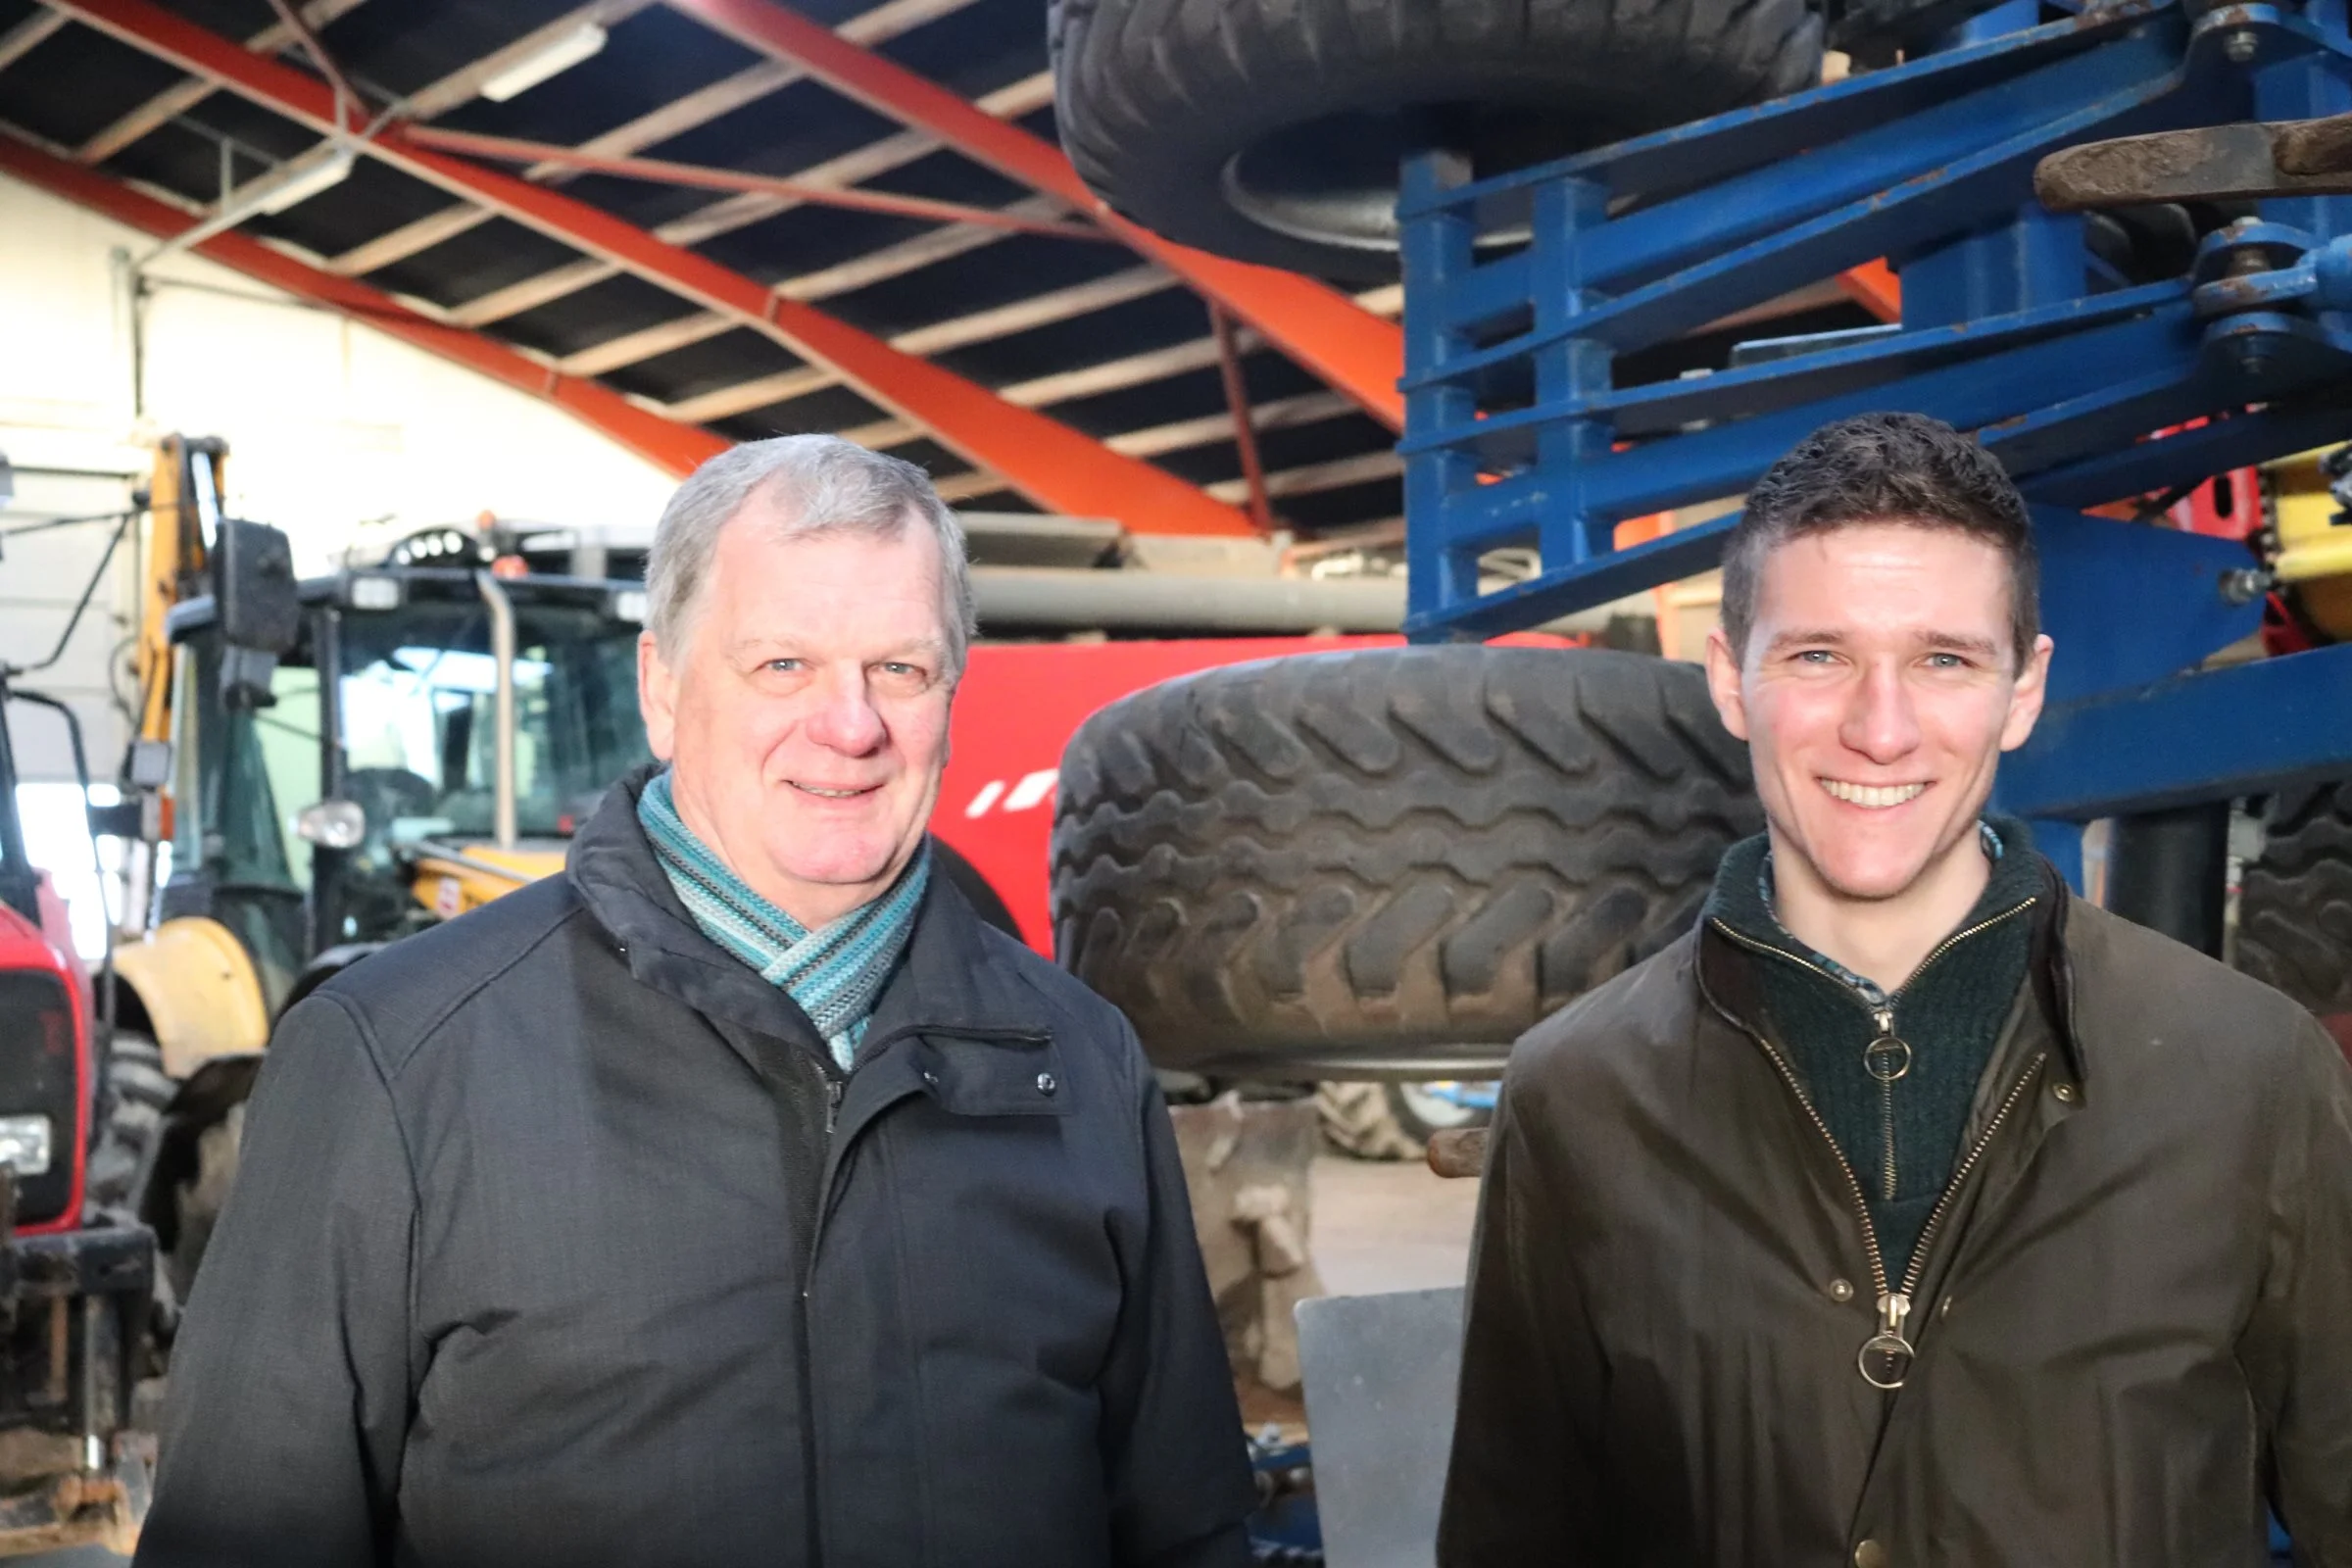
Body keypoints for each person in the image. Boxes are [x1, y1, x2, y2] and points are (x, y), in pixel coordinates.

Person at [137, 436, 1254, 1568]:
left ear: (951, 692)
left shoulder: (1077, 1060)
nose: (852, 725)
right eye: (784, 666)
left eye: (901, 671)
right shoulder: (394, 1061)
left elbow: (1185, 1528)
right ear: (662, 687)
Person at [1439, 412, 2352, 1565]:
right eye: (1819, 655)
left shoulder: (2250, 1073)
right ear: (1732, 681)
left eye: (1944, 659)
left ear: (2023, 689)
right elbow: (1512, 1535)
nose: (1881, 728)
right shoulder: (1578, 1094)